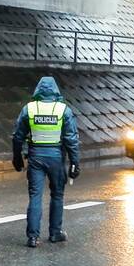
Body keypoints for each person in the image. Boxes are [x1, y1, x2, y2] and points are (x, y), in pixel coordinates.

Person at [12, 76, 81, 248]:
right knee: (57, 195)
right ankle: (55, 233)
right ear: (56, 90)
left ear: (38, 90)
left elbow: (18, 136)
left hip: (35, 157)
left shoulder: (29, 109)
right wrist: (75, 163)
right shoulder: (63, 110)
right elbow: (71, 139)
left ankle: (33, 237)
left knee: (35, 196)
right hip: (56, 157)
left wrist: (17, 157)